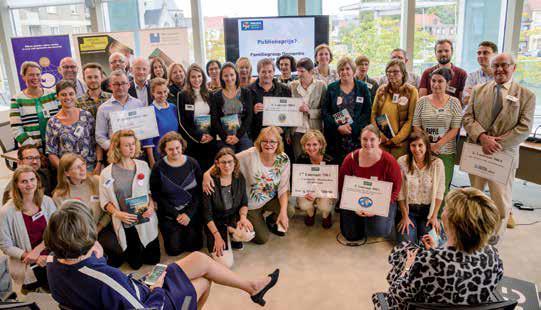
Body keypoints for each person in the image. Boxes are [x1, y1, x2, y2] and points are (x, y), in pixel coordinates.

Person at [45, 202, 280, 309]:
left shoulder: (53, 261)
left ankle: (252, 287)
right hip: (150, 300)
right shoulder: (104, 278)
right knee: (203, 281)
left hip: (135, 287)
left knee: (199, 259)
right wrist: (157, 288)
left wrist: (93, 257)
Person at [372, 188, 503, 309]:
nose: (443, 211)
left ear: (451, 222)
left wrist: (407, 268)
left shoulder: (428, 261)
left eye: (446, 208)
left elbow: (397, 295)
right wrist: (436, 250)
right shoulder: (493, 256)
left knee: (403, 254)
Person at [463, 53, 535, 239]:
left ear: (514, 67)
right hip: (478, 152)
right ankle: (475, 232)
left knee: (500, 201)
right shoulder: (479, 90)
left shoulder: (526, 95)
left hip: (503, 155)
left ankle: (495, 236)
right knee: (475, 197)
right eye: (496, 66)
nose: (499, 69)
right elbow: (467, 117)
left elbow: (524, 128)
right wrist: (482, 137)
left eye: (504, 65)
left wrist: (494, 144)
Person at [203, 127, 293, 245]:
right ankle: (253, 220)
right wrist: (206, 174)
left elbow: (283, 188)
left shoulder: (283, 159)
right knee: (262, 239)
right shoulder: (250, 154)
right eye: (264, 141)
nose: (268, 144)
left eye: (272, 141)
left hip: (269, 199)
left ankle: (272, 221)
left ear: (278, 143)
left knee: (288, 210)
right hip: (250, 205)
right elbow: (228, 159)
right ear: (259, 142)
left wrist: (283, 213)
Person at [99, 130, 160, 270]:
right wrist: (117, 213)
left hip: (145, 219)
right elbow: (105, 201)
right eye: (127, 145)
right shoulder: (106, 173)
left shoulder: (143, 166)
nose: (132, 148)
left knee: (153, 260)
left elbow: (150, 191)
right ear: (117, 147)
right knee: (135, 265)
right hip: (126, 222)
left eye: (133, 144)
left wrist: (151, 206)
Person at [52, 153, 121, 266]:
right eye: (77, 167)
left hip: (101, 226)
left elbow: (109, 209)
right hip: (78, 234)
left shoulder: (97, 181)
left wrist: (97, 229)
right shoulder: (60, 195)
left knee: (116, 253)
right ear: (66, 173)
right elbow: (66, 225)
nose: (83, 169)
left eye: (83, 164)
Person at [338, 125, 402, 241]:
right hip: (356, 199)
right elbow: (342, 186)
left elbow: (396, 189)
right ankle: (361, 221)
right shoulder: (350, 159)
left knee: (378, 231)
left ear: (379, 140)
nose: (368, 143)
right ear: (360, 140)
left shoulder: (389, 161)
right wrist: (354, 206)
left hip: (381, 201)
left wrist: (377, 208)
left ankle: (386, 218)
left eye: (372, 139)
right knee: (351, 235)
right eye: (364, 139)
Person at [0, 165, 56, 292]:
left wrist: (39, 250)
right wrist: (34, 257)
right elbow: (5, 245)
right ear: (16, 185)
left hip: (51, 254)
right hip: (27, 262)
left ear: (38, 180)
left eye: (32, 179)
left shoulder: (47, 202)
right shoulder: (6, 211)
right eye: (24, 181)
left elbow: (55, 230)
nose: (29, 184)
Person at [149, 132, 203, 256]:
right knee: (174, 250)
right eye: (171, 149)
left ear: (182, 147)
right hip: (170, 213)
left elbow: (199, 191)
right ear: (164, 150)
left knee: (195, 247)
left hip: (191, 211)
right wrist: (176, 215)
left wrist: (188, 214)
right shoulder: (158, 167)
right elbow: (157, 194)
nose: (175, 152)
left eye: (177, 148)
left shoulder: (192, 163)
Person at [413, 67, 462, 198]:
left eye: (440, 81)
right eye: (433, 81)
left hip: (445, 151)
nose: (436, 84)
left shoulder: (455, 103)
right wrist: (428, 146)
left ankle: (438, 216)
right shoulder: (422, 101)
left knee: (442, 186)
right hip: (423, 150)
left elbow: (455, 128)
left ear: (448, 83)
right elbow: (416, 126)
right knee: (423, 184)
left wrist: (437, 145)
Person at [202, 148, 254, 268]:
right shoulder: (210, 182)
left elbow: (244, 202)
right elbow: (206, 214)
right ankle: (225, 234)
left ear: (235, 163)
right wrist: (217, 236)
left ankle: (231, 234)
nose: (227, 165)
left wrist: (243, 218)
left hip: (232, 217)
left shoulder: (239, 177)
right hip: (215, 222)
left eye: (230, 162)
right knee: (225, 264)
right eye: (223, 162)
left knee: (248, 233)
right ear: (217, 164)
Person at [396, 131, 445, 243]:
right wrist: (404, 216)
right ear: (409, 146)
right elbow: (400, 193)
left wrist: (434, 216)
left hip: (428, 212)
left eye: (420, 145)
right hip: (409, 211)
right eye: (413, 145)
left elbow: (439, 192)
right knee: (407, 244)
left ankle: (424, 229)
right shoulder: (402, 162)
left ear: (427, 146)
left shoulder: (437, 164)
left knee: (432, 244)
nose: (417, 149)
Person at [322, 56, 372, 165]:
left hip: (356, 137)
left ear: (353, 70)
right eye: (341, 69)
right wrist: (338, 127)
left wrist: (352, 127)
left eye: (347, 69)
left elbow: (367, 111)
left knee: (355, 169)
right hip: (336, 137)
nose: (344, 72)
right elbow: (325, 112)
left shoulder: (362, 87)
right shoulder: (332, 88)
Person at [46, 80, 97, 171]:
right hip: (68, 170)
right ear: (57, 97)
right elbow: (51, 152)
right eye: (63, 94)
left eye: (71, 94)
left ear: (76, 95)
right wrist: (64, 171)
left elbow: (96, 142)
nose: (68, 97)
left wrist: (99, 164)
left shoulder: (86, 116)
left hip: (89, 168)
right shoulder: (53, 122)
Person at [370, 60, 418, 158]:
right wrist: (379, 135)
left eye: (395, 72)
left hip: (400, 144)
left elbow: (411, 119)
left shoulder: (412, 91)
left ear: (403, 73)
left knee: (398, 171)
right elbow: (374, 114)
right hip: (382, 141)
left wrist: (396, 139)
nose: (391, 74)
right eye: (388, 72)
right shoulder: (381, 90)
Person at [96, 70, 147, 153]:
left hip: (137, 152)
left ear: (128, 85)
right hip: (116, 154)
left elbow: (144, 128)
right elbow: (100, 136)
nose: (120, 87)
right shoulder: (103, 109)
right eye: (116, 84)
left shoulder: (138, 104)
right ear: (110, 86)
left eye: (123, 83)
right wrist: (113, 148)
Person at [10, 61, 59, 150]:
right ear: (23, 77)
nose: (35, 77)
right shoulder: (17, 99)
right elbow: (16, 128)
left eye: (38, 74)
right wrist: (31, 146)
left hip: (56, 145)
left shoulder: (53, 95)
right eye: (31, 75)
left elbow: (63, 118)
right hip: (32, 149)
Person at [177, 64, 217, 171]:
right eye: (193, 77)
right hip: (192, 140)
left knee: (210, 169)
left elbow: (215, 117)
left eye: (199, 76)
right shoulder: (182, 95)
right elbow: (182, 122)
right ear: (188, 79)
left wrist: (211, 135)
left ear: (203, 77)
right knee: (196, 170)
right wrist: (198, 137)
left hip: (209, 139)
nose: (197, 79)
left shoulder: (210, 94)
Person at [210, 62, 254, 153]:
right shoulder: (216, 96)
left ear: (236, 75)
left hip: (242, 134)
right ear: (221, 77)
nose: (229, 78)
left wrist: (238, 136)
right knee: (227, 163)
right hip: (224, 136)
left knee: (246, 161)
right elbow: (215, 119)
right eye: (225, 75)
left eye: (231, 75)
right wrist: (225, 137)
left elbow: (249, 116)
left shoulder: (246, 92)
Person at [288, 57, 327, 160]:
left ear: (311, 71)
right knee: (298, 160)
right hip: (297, 131)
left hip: (314, 131)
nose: (299, 74)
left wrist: (309, 111)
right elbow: (287, 111)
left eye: (302, 71)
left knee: (315, 159)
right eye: (298, 71)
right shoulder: (291, 86)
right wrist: (288, 133)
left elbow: (325, 111)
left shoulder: (321, 86)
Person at [296, 130, 335, 228]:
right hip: (308, 190)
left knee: (325, 205)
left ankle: (326, 215)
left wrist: (322, 193)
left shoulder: (330, 160)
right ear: (304, 146)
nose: (311, 148)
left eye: (315, 144)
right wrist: (305, 192)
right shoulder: (301, 159)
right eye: (308, 144)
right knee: (303, 204)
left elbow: (333, 185)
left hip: (325, 191)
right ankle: (310, 213)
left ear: (321, 145)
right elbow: (299, 182)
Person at [248, 58, 292, 140]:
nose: (267, 75)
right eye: (263, 72)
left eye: (270, 71)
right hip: (257, 136)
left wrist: (283, 129)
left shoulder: (285, 90)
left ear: (274, 72)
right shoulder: (248, 91)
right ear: (258, 73)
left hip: (278, 136)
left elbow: (290, 114)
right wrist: (252, 110)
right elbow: (243, 115)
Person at [143, 78, 180, 167]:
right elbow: (148, 141)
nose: (163, 95)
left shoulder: (173, 107)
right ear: (153, 93)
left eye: (165, 91)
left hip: (175, 152)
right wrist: (152, 163)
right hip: (160, 154)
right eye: (159, 93)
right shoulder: (149, 111)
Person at [419, 39, 468, 105]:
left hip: (452, 113)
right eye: (440, 51)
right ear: (435, 53)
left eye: (446, 51)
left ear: (452, 52)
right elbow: (422, 99)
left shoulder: (462, 74)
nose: (443, 54)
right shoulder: (427, 73)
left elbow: (462, 101)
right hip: (431, 112)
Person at [463, 41, 498, 105]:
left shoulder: (501, 76)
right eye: (479, 53)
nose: (481, 56)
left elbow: (500, 101)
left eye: (485, 53)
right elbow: (466, 101)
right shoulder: (472, 76)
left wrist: (475, 93)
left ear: (495, 55)